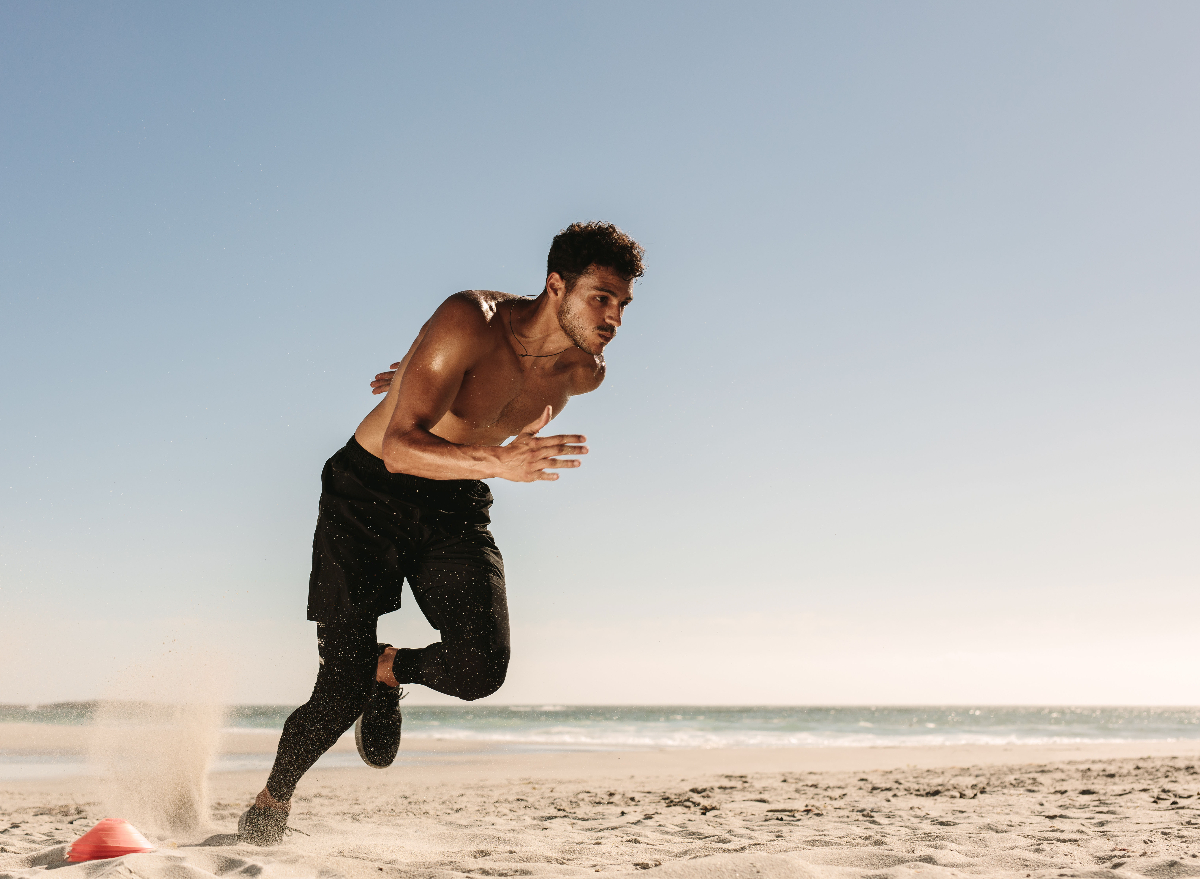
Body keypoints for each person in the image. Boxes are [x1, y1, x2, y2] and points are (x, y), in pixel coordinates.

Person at [237, 221, 645, 844]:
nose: (614, 317)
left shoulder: (585, 372)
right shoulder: (470, 319)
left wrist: (436, 381)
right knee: (336, 693)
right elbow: (400, 447)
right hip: (368, 491)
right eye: (601, 298)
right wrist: (492, 449)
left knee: (482, 667)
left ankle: (389, 671)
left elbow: (492, 404)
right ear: (556, 284)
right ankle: (271, 800)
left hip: (454, 503)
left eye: (623, 305)